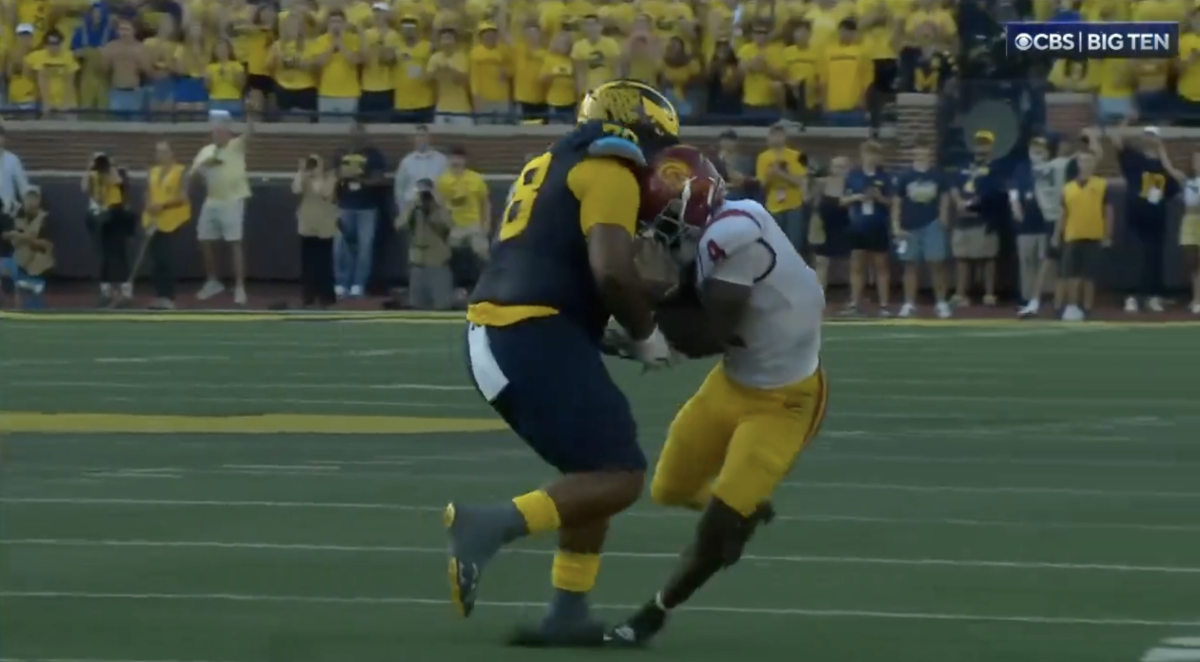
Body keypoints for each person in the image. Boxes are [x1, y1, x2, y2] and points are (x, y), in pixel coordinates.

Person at [447, 80, 680, 646]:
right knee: (620, 476)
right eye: (658, 141)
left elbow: (560, 263)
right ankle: (487, 527)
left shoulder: (553, 160)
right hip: (524, 331)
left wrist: (602, 331)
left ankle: (569, 611)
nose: (658, 158)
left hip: (503, 330)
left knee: (597, 468)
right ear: (639, 128)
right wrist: (647, 332)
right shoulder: (610, 165)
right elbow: (610, 270)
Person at [603, 144, 827, 647]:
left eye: (661, 219)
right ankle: (746, 507)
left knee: (716, 532)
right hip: (733, 383)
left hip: (785, 401)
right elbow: (687, 304)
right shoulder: (718, 227)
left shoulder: (733, 236)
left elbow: (710, 334)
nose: (654, 231)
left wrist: (637, 337)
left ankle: (655, 613)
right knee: (669, 489)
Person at [1055, 150, 1112, 322]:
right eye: (1083, 161)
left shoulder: (1102, 185)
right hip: (1072, 234)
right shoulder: (1068, 188)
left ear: (1094, 164)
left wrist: (1108, 234)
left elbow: (1108, 211)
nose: (1086, 164)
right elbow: (1063, 213)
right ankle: (1072, 305)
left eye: (1089, 161)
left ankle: (1087, 307)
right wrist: (1057, 234)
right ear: (1078, 164)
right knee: (1071, 274)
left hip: (1094, 234)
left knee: (1089, 274)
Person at [292, 154, 339, 309]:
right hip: (307, 226)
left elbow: (326, 193)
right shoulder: (304, 178)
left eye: (315, 163)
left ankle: (326, 296)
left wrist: (318, 176)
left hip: (325, 227)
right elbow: (296, 189)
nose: (312, 167)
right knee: (308, 263)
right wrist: (300, 172)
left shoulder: (330, 178)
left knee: (324, 263)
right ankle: (309, 296)